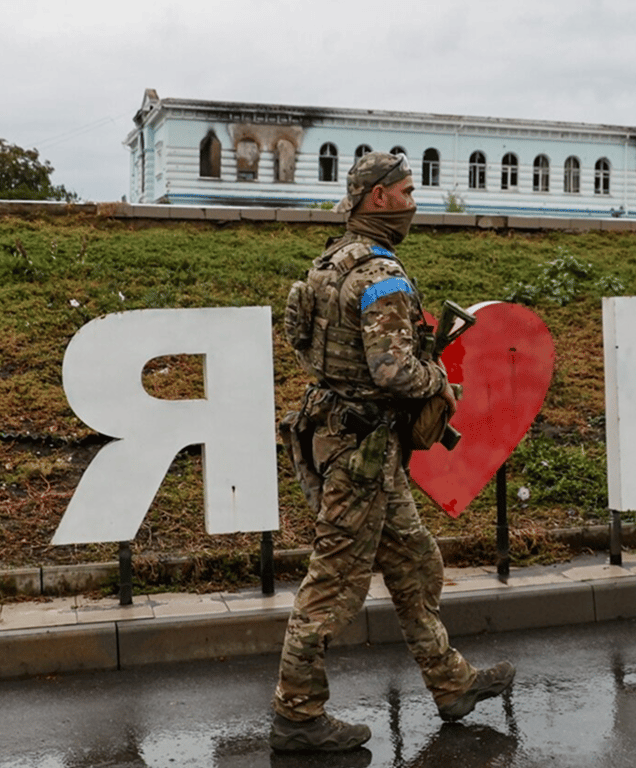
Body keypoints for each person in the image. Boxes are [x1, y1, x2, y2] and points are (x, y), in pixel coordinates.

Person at [270, 151, 514, 753]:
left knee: (415, 562)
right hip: (362, 456)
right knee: (332, 585)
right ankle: (297, 715)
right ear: (377, 197)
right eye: (406, 190)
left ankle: (451, 682)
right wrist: (442, 384)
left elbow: (306, 342)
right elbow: (393, 370)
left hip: (348, 440)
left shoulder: (328, 263)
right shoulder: (381, 273)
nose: (414, 200)